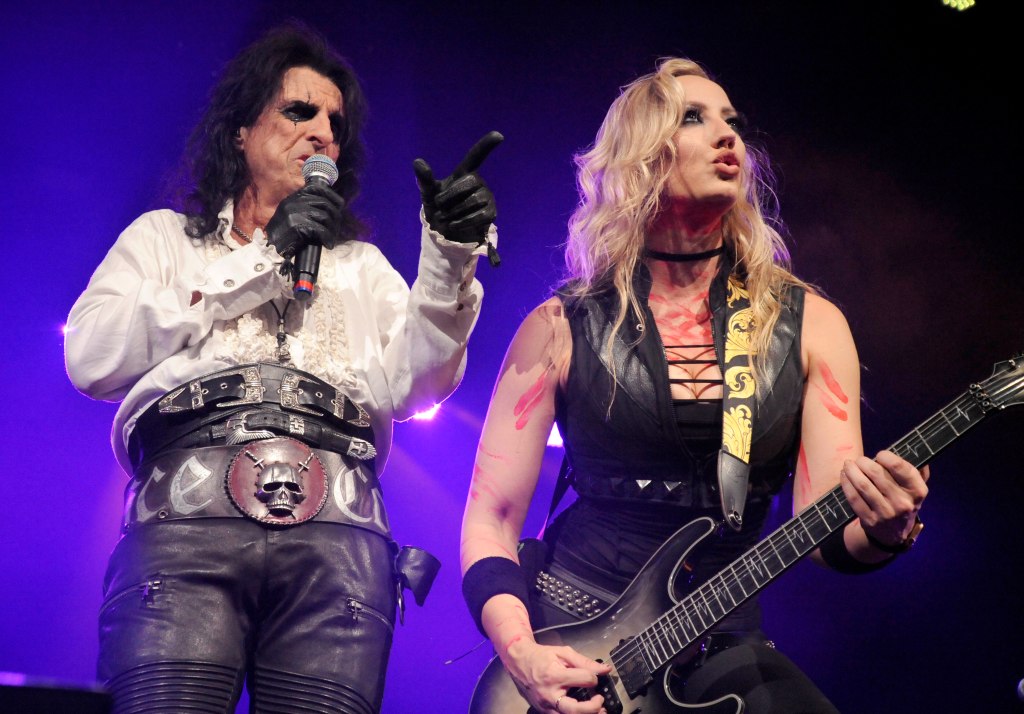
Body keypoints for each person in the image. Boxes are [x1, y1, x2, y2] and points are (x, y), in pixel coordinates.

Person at [459, 57, 928, 714]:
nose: (728, 135)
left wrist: (884, 528)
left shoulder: (810, 325)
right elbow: (492, 518)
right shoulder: (560, 327)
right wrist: (521, 651)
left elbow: (826, 532)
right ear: (641, 156)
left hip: (721, 642)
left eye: (732, 121)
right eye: (693, 118)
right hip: (572, 631)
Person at [65, 23, 501, 714]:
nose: (322, 133)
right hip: (182, 532)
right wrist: (266, 255)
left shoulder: (361, 269)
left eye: (335, 123)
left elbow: (420, 387)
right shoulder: (162, 240)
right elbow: (90, 359)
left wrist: (449, 258)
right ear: (241, 131)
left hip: (340, 549)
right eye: (299, 111)